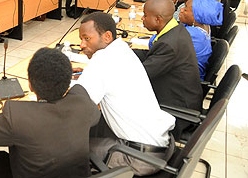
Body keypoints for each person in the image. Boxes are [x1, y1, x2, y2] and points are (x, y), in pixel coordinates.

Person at [0, 47, 100, 178]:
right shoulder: (82, 103)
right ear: (68, 79)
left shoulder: (17, 116)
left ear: (30, 85)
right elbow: (95, 116)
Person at [72, 12, 176, 176]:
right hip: (161, 145)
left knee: (69, 151)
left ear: (106, 36)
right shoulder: (122, 50)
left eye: (86, 38)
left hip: (139, 158)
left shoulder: (102, 60)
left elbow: (76, 105)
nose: (81, 45)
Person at [133, 0, 202, 139]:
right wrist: (123, 51)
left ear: (158, 19)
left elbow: (140, 76)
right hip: (180, 98)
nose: (143, 19)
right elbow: (151, 56)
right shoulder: (176, 30)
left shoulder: (169, 45)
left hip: (178, 111)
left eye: (145, 16)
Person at [178, 0, 223, 80]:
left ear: (196, 16)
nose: (181, 10)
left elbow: (154, 43)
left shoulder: (192, 34)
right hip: (190, 74)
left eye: (186, 9)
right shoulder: (204, 26)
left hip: (186, 81)